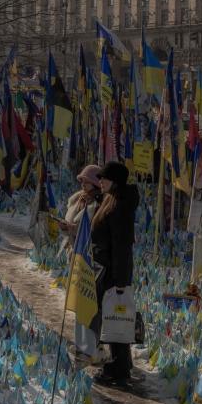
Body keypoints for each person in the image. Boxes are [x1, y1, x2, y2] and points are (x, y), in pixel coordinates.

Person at [91, 161, 139, 385]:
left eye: (104, 179)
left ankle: (118, 367)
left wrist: (119, 282)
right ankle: (121, 363)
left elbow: (121, 245)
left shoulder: (120, 207)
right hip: (108, 269)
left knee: (115, 317)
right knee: (113, 316)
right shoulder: (112, 201)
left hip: (114, 273)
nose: (100, 182)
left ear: (115, 182)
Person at [59, 164, 102, 256]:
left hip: (87, 256)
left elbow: (91, 231)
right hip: (73, 251)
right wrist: (64, 226)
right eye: (82, 181)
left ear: (95, 183)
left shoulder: (98, 204)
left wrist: (71, 227)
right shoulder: (78, 198)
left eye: (86, 182)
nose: (83, 185)